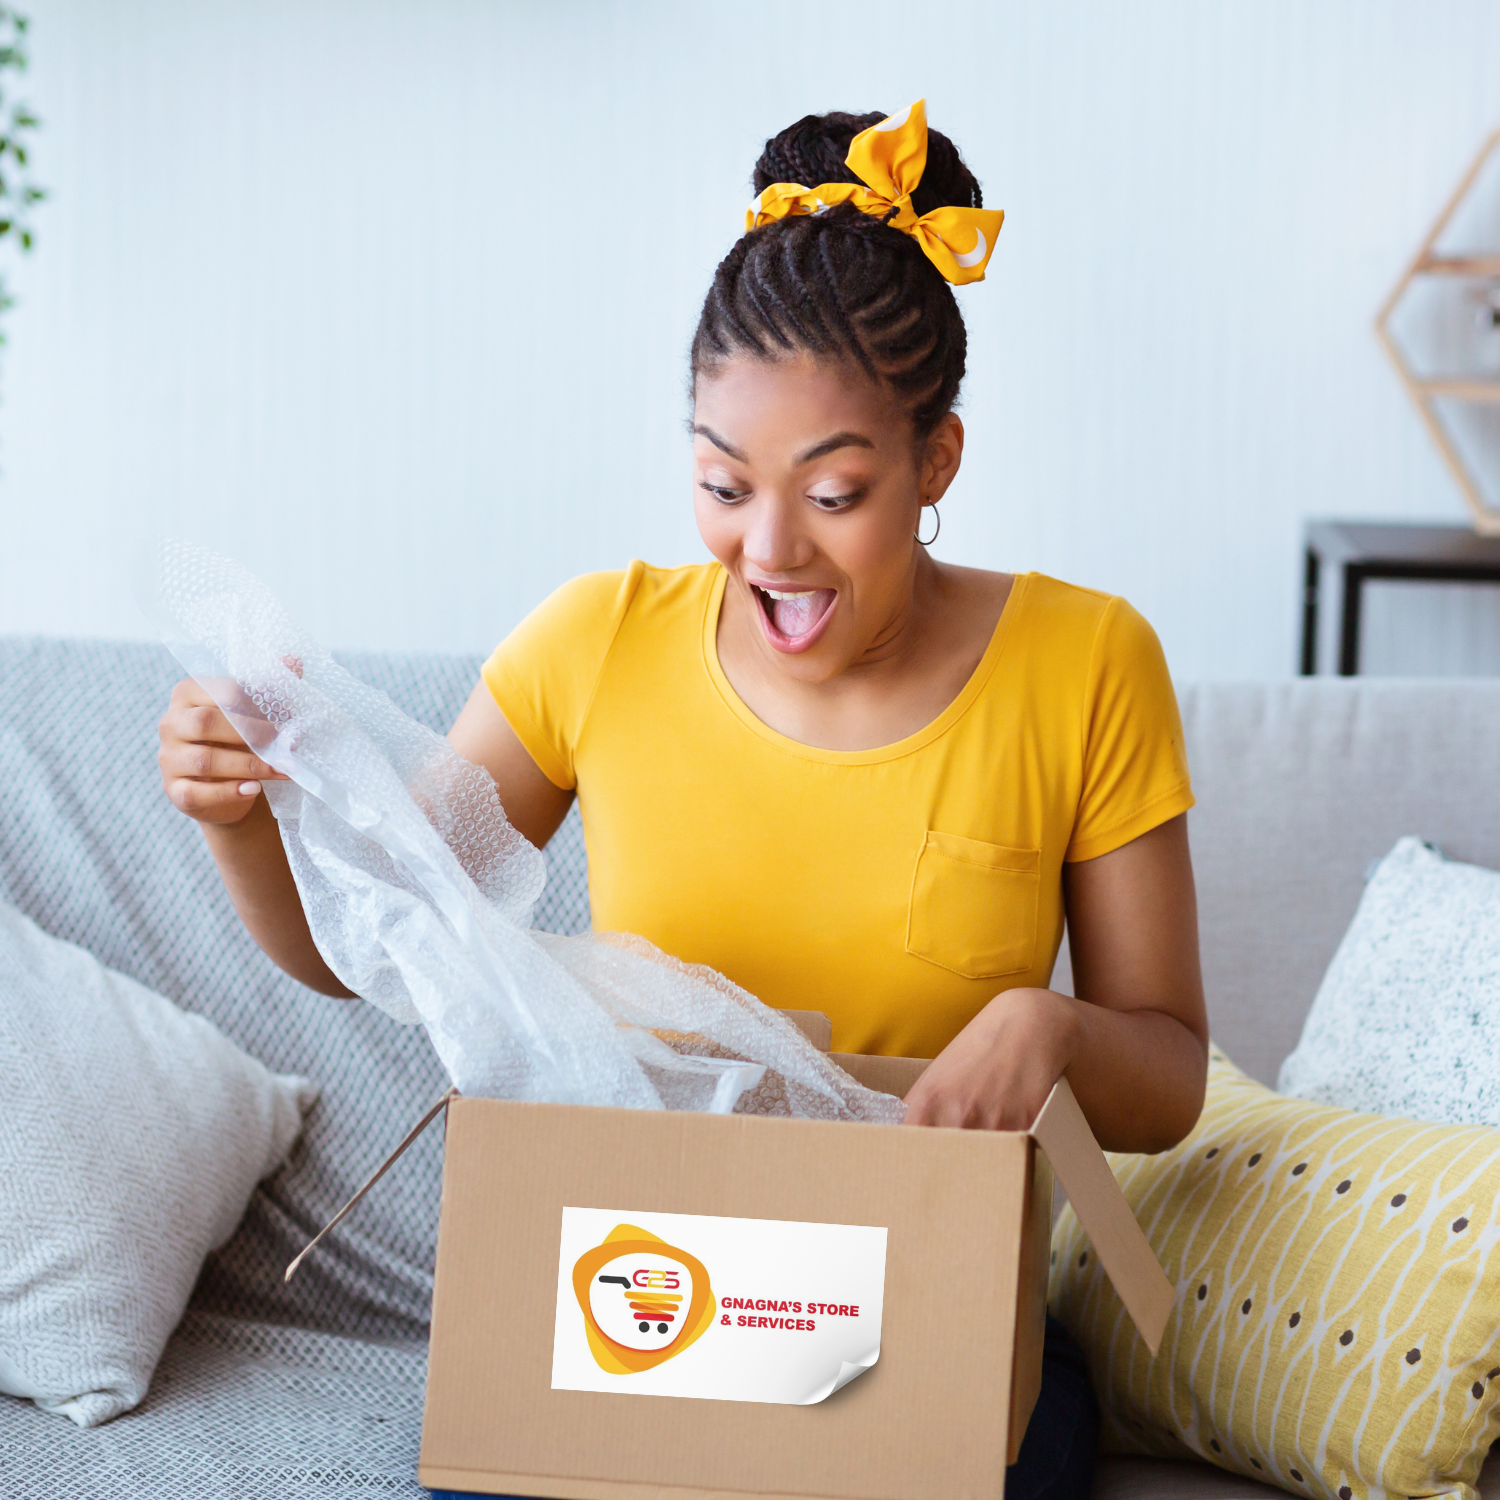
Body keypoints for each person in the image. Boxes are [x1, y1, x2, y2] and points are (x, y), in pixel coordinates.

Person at [158, 101, 1207, 1499]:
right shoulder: (593, 645)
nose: (767, 549)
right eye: (723, 481)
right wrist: (244, 819)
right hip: (646, 1306)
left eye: (834, 492)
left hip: (930, 1312)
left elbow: (1171, 1083)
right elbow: (386, 944)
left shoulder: (1089, 664)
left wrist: (1053, 1023)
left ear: (935, 462)